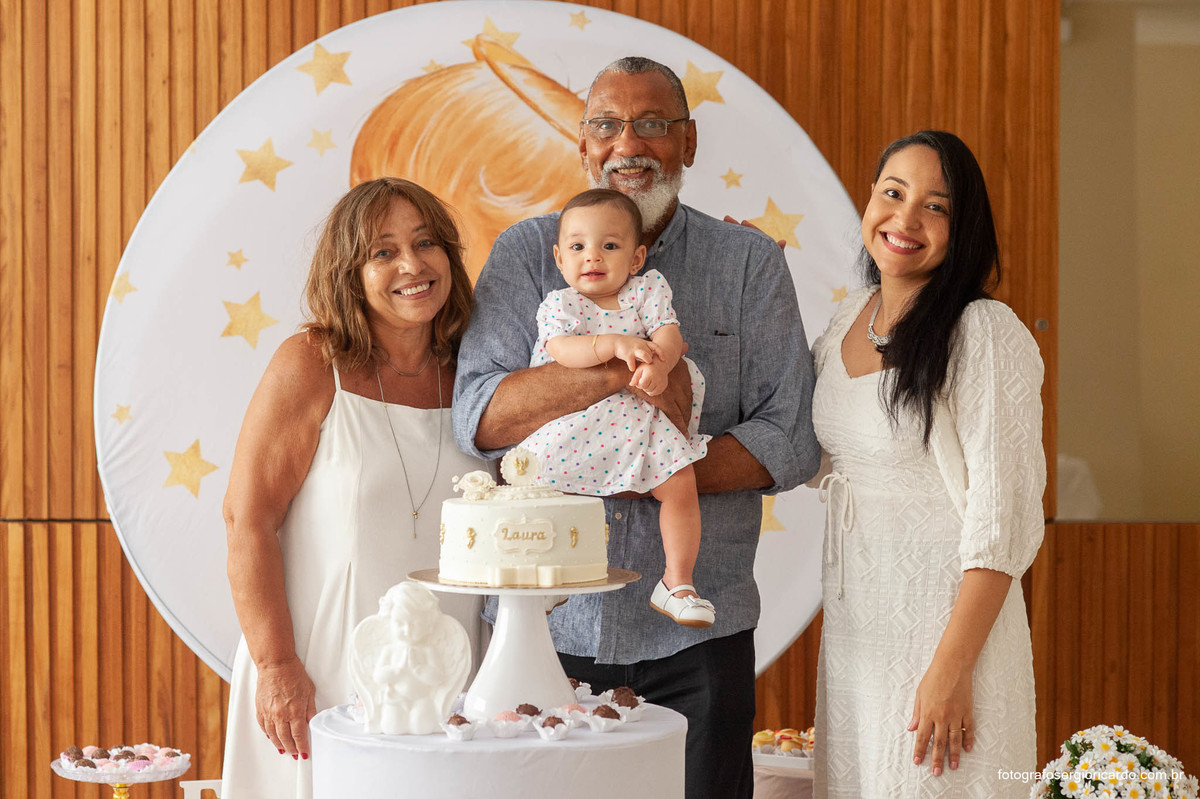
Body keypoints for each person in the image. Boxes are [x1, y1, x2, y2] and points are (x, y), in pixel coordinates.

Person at [453, 57, 820, 799]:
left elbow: (789, 437)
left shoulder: (747, 264)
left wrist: (653, 474)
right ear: (582, 145)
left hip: (699, 636)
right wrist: (620, 374)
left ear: (688, 142)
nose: (630, 143)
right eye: (606, 125)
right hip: (543, 630)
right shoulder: (528, 254)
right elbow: (480, 416)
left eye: (653, 124)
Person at [221, 178, 487, 799]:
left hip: (449, 682)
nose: (412, 265)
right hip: (321, 671)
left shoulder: (477, 371)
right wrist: (278, 667)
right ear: (350, 273)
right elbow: (245, 520)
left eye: (425, 243)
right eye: (383, 252)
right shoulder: (312, 364)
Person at [808, 131, 1044, 798]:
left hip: (947, 638)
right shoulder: (847, 319)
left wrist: (952, 668)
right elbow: (803, 450)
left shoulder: (984, 333)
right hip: (860, 638)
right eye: (893, 192)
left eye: (935, 206)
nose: (905, 219)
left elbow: (1005, 522)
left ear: (962, 228)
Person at [518, 187, 714, 627]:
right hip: (578, 416)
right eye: (578, 247)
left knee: (681, 482)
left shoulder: (647, 291)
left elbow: (667, 334)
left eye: (610, 246)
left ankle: (677, 581)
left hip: (639, 416)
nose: (593, 257)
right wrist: (612, 344)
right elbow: (563, 352)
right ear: (559, 258)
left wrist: (661, 365)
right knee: (547, 485)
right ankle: (552, 576)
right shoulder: (561, 304)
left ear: (637, 257)